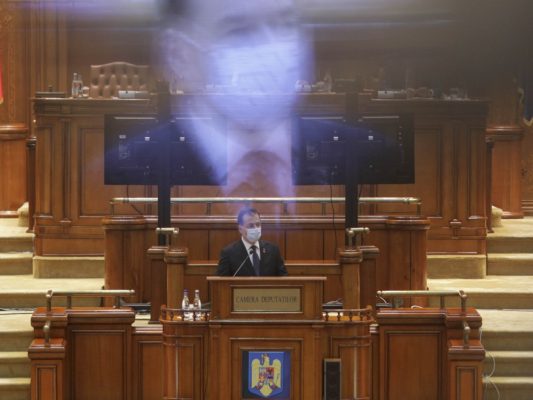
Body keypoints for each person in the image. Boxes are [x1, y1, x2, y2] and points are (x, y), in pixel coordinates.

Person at [217, 207, 288, 276]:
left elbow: (284, 278)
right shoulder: (228, 253)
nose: (256, 228)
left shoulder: (273, 250)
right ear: (240, 229)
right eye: (250, 226)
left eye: (258, 224)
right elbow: (221, 282)